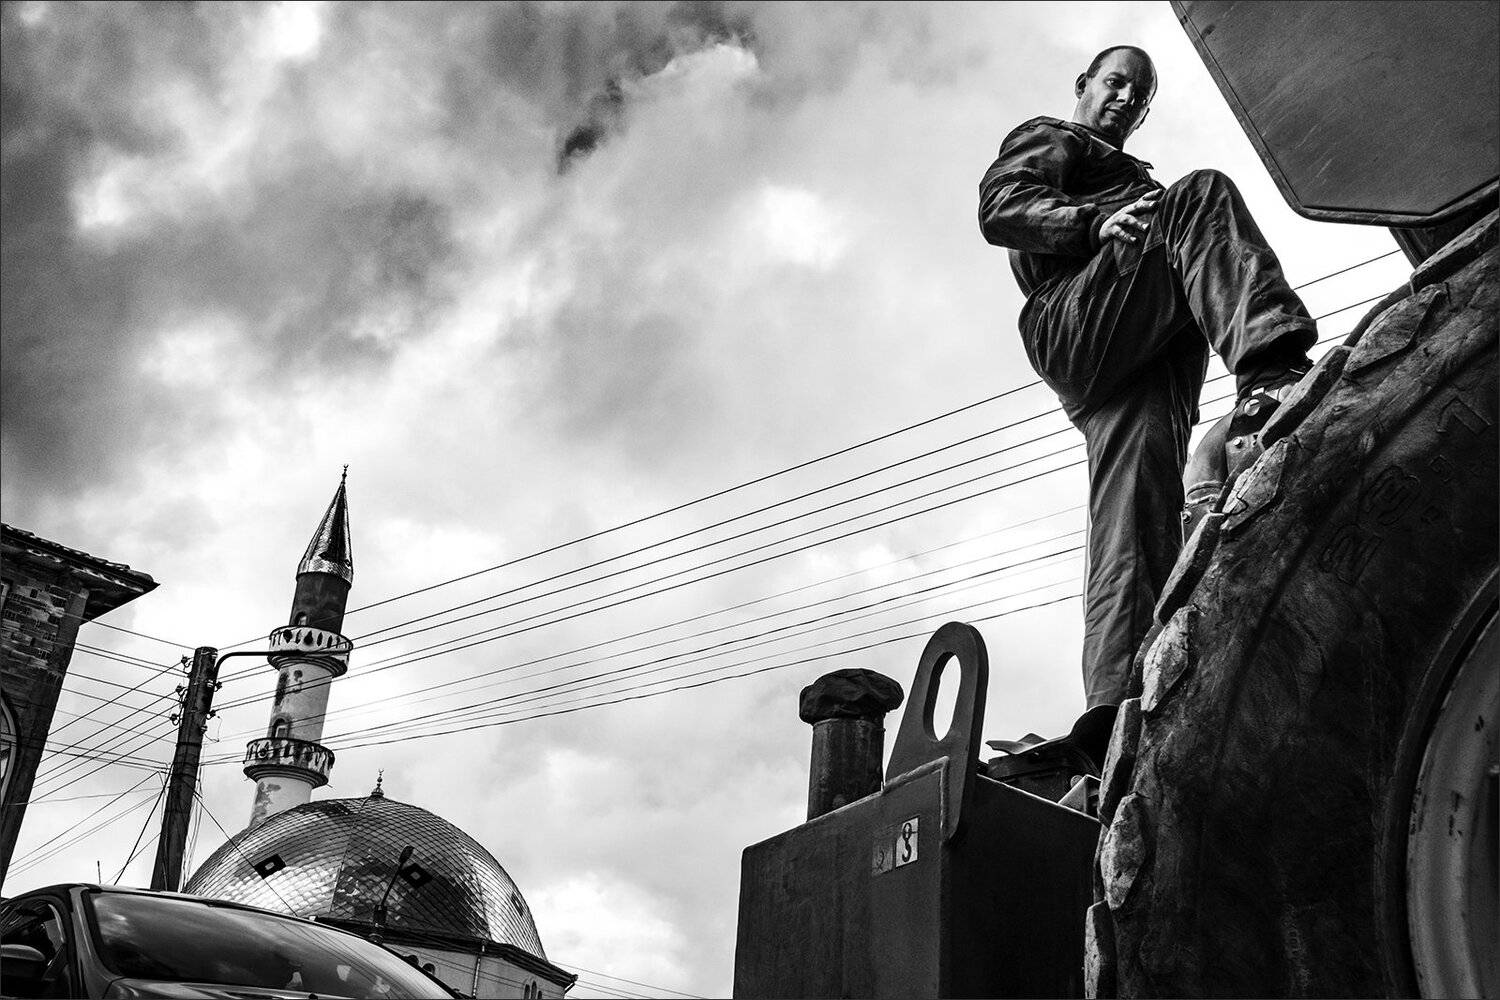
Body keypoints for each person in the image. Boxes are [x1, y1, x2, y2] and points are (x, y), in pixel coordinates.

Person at [977, 45, 1317, 708]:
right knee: (1201, 197)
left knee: (1133, 526)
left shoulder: (1136, 185)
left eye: (1139, 95)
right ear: (1083, 83)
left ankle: (1115, 705)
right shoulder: (1056, 139)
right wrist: (1091, 222)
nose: (1125, 98)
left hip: (1137, 358)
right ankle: (1272, 369)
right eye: (1115, 82)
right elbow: (1003, 205)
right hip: (1077, 316)